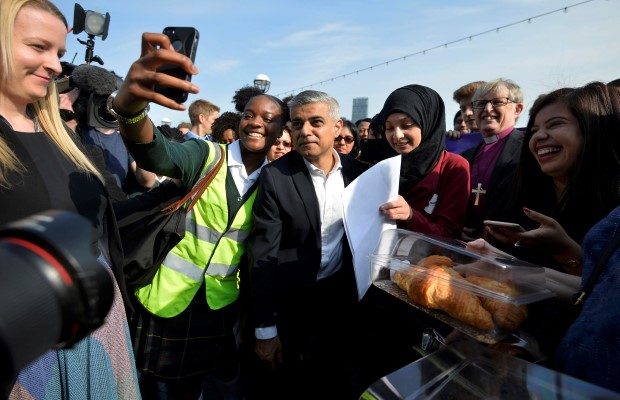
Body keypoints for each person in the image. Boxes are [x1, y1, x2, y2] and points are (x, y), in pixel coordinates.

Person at [109, 31, 288, 399]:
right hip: (162, 300)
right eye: (250, 114)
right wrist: (131, 110)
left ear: (279, 130)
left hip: (218, 310)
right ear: (239, 121)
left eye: (268, 118)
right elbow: (156, 156)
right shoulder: (205, 156)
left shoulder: (276, 183)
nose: (256, 122)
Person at [0, 1, 140, 398]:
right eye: (38, 47)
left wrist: (173, 191)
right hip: (29, 351)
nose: (56, 65)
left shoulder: (65, 138)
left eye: (59, 53)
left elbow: (105, 220)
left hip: (98, 332)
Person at [247, 90, 369, 399]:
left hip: (339, 309)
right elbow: (263, 257)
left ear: (337, 126)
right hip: (290, 310)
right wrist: (265, 330)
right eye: (298, 124)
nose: (306, 131)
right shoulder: (276, 176)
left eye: (316, 122)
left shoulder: (360, 175)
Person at [377, 84, 470, 238]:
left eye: (406, 125)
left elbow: (449, 235)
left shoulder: (453, 167)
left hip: (429, 260)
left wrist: (411, 216)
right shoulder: (384, 167)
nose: (397, 135)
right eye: (389, 128)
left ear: (428, 122)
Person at [461, 78, 525, 240]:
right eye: (481, 104)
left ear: (517, 109)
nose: (487, 109)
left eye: (497, 102)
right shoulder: (466, 156)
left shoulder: (528, 149)